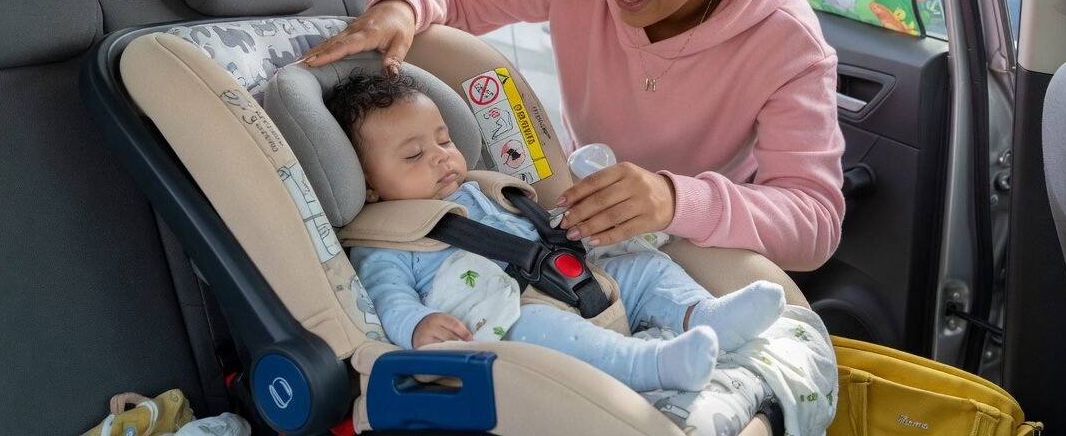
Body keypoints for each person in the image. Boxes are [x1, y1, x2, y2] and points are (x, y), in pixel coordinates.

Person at [301, 0, 844, 272]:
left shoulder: (788, 44)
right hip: (575, 215)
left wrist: (673, 200)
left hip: (693, 249)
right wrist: (397, 6)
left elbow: (814, 221)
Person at [330, 71, 785, 392]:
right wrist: (417, 325)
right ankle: (650, 367)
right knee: (536, 324)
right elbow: (389, 298)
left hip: (568, 276)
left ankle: (704, 317)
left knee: (645, 267)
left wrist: (578, 228)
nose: (440, 156)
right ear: (368, 185)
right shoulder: (385, 242)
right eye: (413, 155)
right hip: (504, 321)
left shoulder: (480, 192)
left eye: (444, 140)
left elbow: (531, 232)